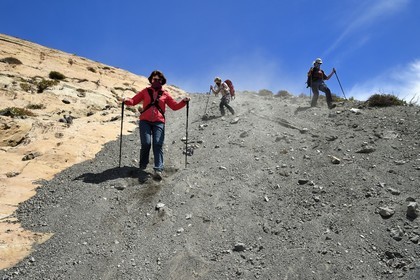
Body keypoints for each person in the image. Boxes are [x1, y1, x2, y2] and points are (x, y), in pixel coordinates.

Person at [123, 70, 190, 180]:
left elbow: (174, 106)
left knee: (158, 144)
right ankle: (143, 165)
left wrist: (184, 101)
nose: (157, 81)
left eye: (159, 80)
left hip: (159, 122)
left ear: (162, 81)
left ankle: (158, 169)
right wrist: (126, 101)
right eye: (155, 79)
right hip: (145, 121)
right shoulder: (145, 91)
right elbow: (134, 101)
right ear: (151, 80)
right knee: (146, 143)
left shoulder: (165, 94)